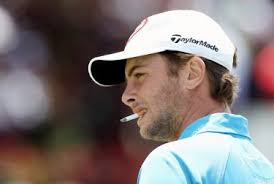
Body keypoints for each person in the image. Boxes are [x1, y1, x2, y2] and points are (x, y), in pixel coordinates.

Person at [88, 10, 274, 183]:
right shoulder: (263, 168)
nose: (126, 96)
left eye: (139, 75)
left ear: (192, 73)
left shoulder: (172, 162)